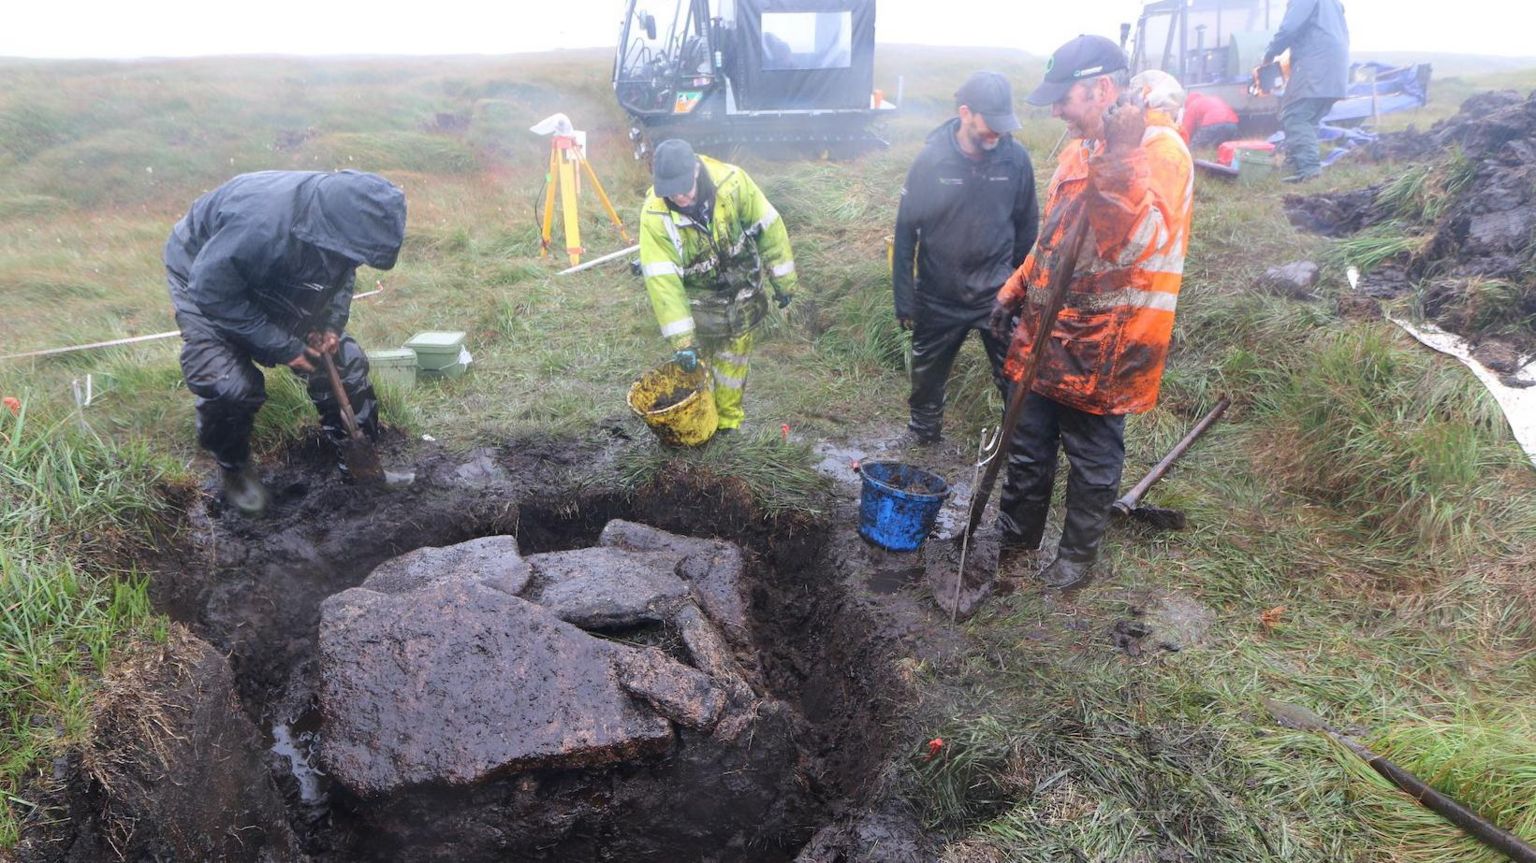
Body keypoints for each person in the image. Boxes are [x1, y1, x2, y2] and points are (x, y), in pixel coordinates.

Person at [987, 35, 1193, 589]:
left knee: (1092, 460)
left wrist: (1121, 156)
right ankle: (1015, 537)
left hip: (1109, 345)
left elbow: (1129, 246)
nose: (1055, 110)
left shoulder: (1160, 154)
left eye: (1064, 98)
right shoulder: (1078, 148)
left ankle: (1075, 559)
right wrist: (1016, 286)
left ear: (1103, 88)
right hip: (1047, 331)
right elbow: (1053, 237)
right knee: (1026, 444)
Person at [164, 170, 407, 515]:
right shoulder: (259, 225)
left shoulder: (337, 233)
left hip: (280, 272)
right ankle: (235, 469)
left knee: (343, 363)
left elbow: (341, 272)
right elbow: (211, 290)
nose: (352, 261)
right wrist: (284, 346)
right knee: (228, 385)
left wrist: (330, 324)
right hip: (204, 277)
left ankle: (360, 464)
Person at [891, 71, 1039, 445]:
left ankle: (1013, 447)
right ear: (965, 113)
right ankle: (924, 434)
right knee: (926, 377)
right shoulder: (932, 159)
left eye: (1005, 126)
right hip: (939, 293)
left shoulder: (1016, 161)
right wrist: (904, 297)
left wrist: (1020, 291)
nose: (998, 134)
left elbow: (1027, 231)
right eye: (991, 124)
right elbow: (906, 231)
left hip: (997, 295)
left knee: (1015, 378)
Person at [638, 139, 798, 434]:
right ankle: (702, 423)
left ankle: (727, 426)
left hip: (744, 295)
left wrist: (784, 281)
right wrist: (683, 342)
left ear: (696, 170)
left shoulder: (733, 183)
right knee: (704, 367)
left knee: (733, 366)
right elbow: (663, 283)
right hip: (701, 307)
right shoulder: (655, 217)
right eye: (671, 192)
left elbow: (769, 227)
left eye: (684, 189)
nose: (680, 198)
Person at [1262, 0, 1349, 182]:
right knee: (1310, 118)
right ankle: (1295, 164)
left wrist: (1270, 54)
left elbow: (1289, 28)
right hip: (1337, 65)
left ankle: (1309, 171)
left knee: (1295, 116)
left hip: (1315, 62)